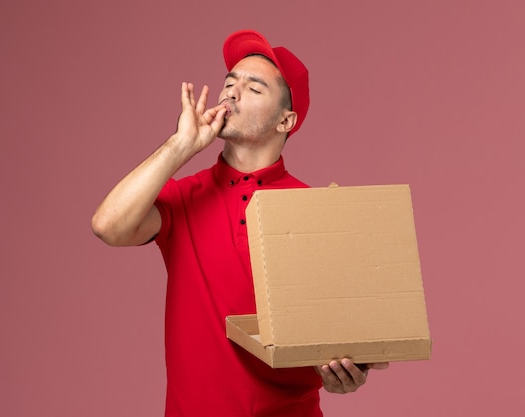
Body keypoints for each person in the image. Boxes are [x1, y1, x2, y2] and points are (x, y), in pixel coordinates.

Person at [92, 29, 388, 417]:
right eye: (229, 83)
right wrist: (180, 147)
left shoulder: (316, 210)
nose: (231, 92)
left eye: (254, 88)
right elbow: (107, 225)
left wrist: (344, 373)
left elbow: (339, 332)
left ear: (286, 120)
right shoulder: (185, 197)